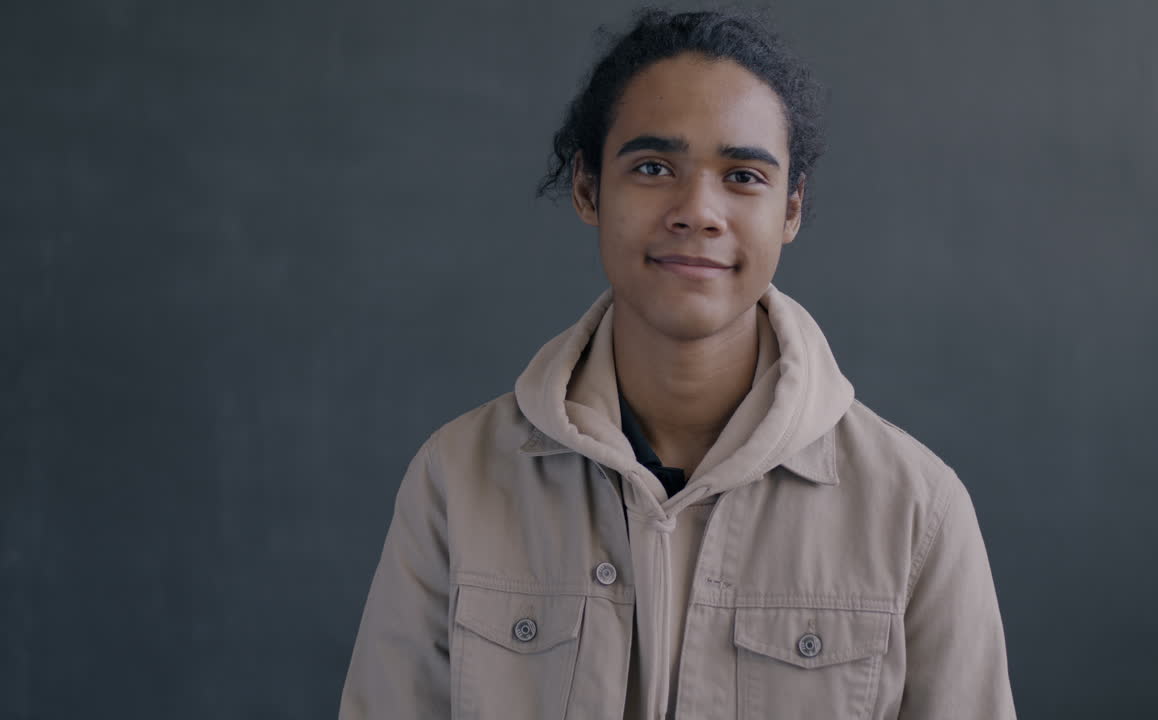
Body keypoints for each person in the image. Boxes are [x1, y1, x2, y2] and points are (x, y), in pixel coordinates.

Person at [339, 7, 1016, 719]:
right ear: (588, 189)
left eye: (744, 176)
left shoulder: (917, 511)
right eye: (654, 167)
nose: (698, 211)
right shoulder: (457, 480)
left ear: (791, 210)